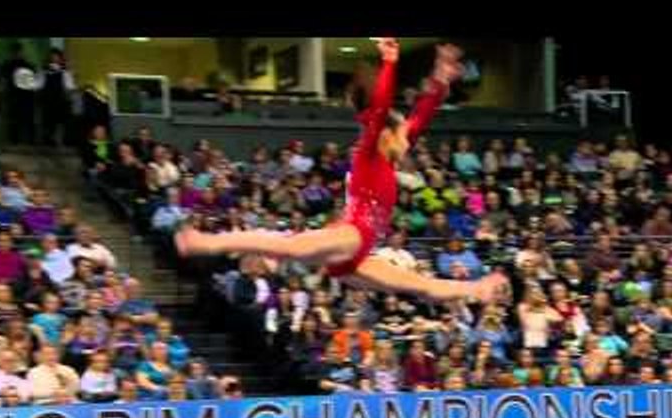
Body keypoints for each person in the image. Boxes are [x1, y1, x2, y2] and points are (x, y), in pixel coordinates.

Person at [176, 39, 508, 307]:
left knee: (420, 286)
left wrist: (440, 79)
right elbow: (379, 110)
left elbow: (421, 115)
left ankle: (477, 289)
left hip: (358, 253)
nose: (408, 141)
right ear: (386, 134)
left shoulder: (387, 156)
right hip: (352, 233)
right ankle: (205, 242)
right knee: (289, 248)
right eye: (401, 135)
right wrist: (390, 61)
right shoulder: (369, 152)